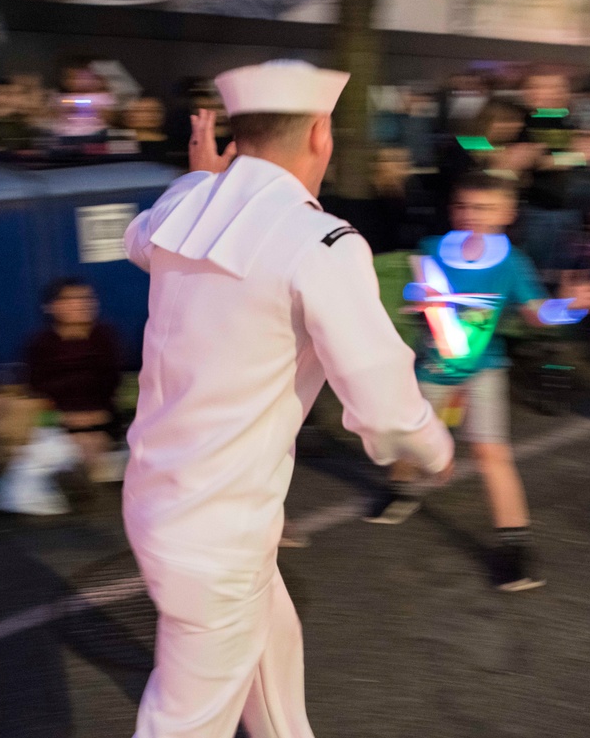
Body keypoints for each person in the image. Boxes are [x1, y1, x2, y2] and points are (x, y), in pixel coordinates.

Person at [121, 60, 454, 738]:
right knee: (181, 725)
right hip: (221, 528)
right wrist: (433, 446)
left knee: (274, 667)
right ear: (321, 134)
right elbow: (385, 403)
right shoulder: (320, 242)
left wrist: (202, 178)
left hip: (165, 499)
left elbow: (138, 239)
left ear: (236, 136)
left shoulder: (185, 206)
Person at [365, 172, 590, 591]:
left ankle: (515, 547)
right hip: (433, 366)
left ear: (507, 213)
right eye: (464, 207)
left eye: (484, 208)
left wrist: (569, 307)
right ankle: (402, 486)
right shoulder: (431, 250)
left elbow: (536, 314)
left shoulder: (511, 262)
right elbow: (415, 295)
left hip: (485, 368)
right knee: (411, 435)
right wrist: (416, 298)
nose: (471, 216)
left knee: (492, 452)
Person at [24, 279, 122, 477]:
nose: (80, 304)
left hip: (102, 418)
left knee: (90, 443)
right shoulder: (40, 343)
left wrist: (97, 416)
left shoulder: (105, 337)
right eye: (70, 299)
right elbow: (36, 391)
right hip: (58, 421)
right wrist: (64, 417)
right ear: (51, 307)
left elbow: (113, 383)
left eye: (86, 298)